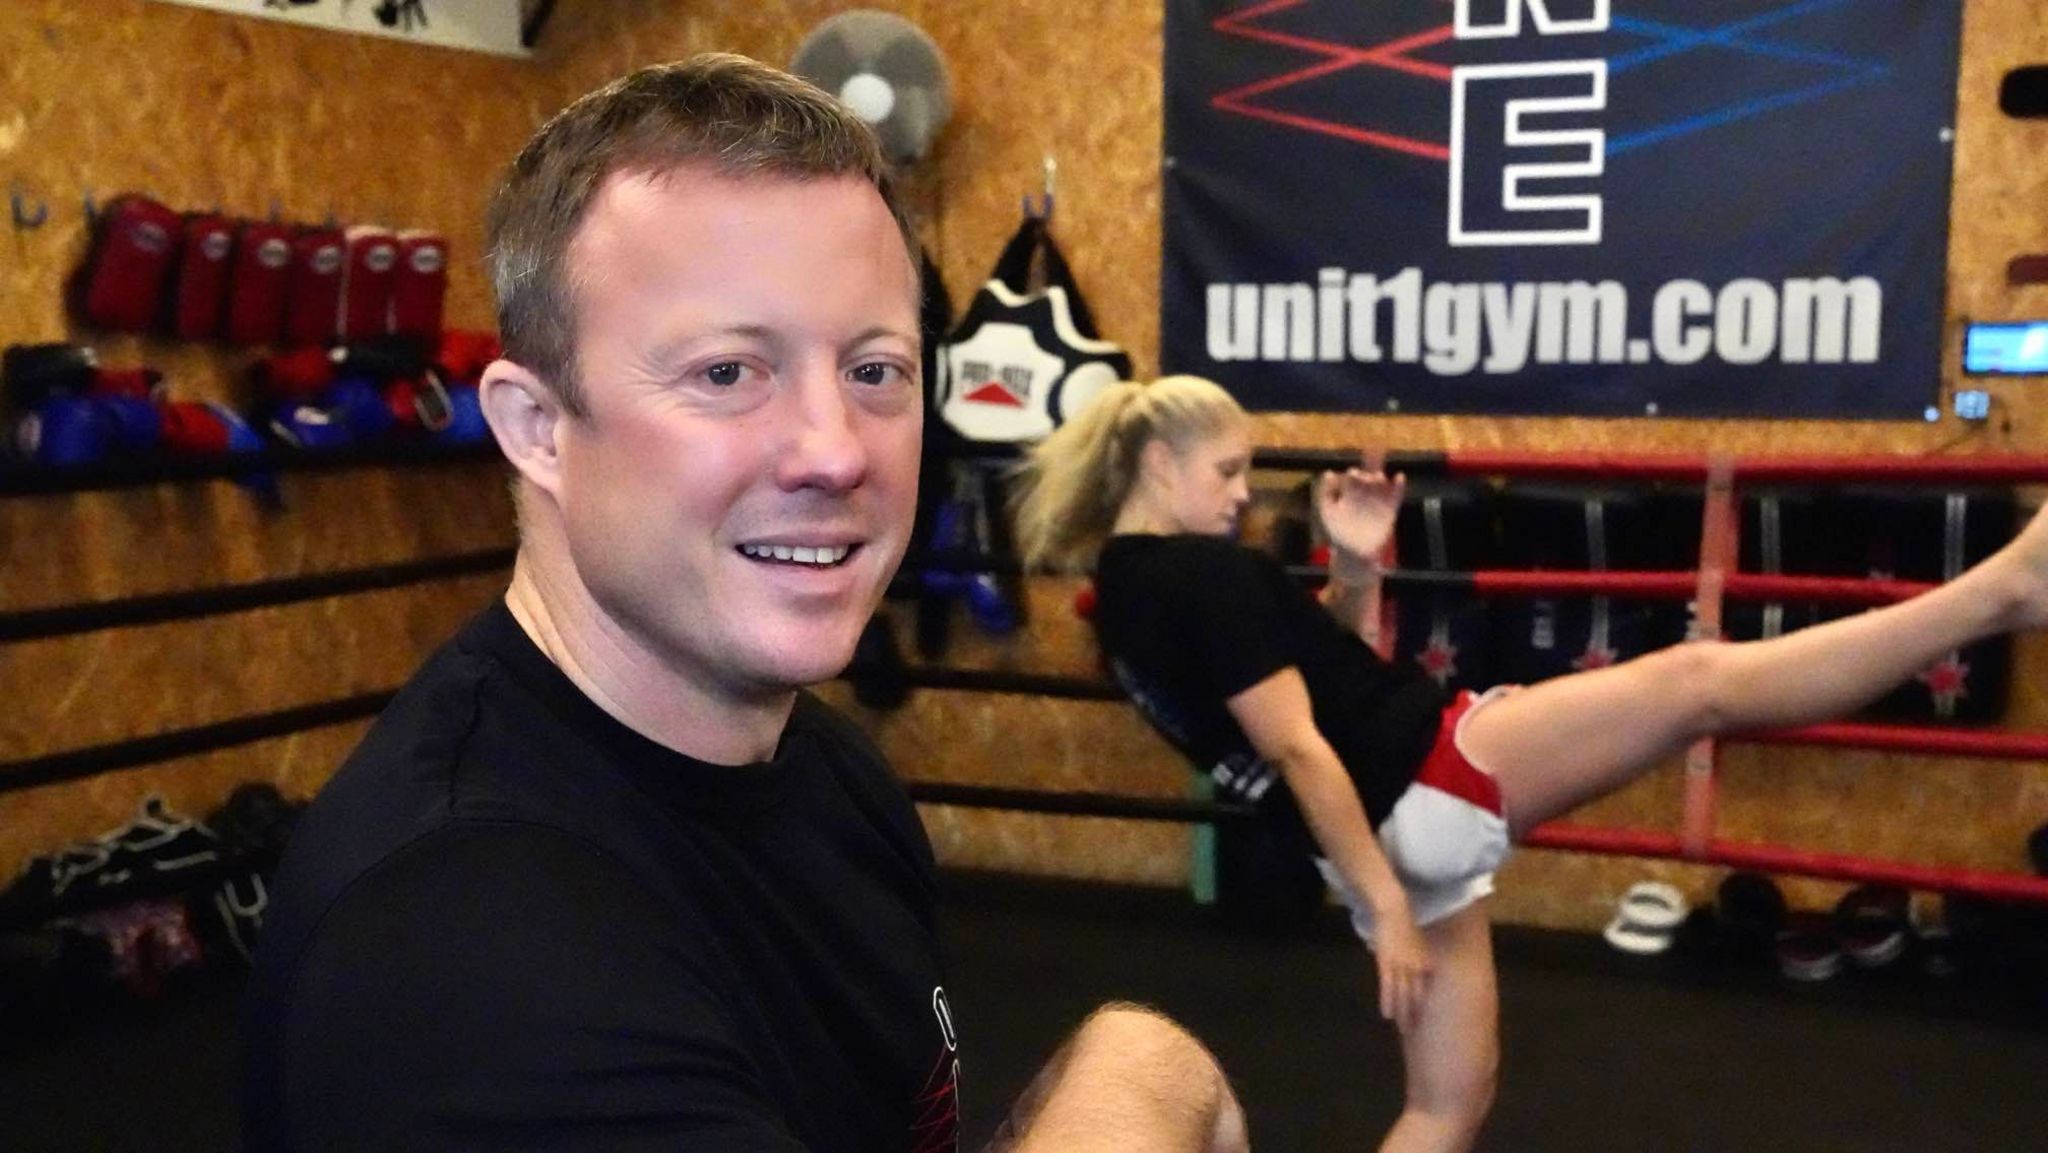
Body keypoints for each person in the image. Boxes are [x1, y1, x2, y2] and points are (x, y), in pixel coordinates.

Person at [240, 56, 1247, 1153]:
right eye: (727, 373)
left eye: (874, 371)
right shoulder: (464, 936)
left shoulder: (829, 777)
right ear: (536, 428)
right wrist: (1138, 1075)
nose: (831, 451)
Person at [1011, 374, 2048, 1153]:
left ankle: (2006, 588)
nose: (1240, 495)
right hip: (1421, 781)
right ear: (1154, 464)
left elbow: (1313, 682)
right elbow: (1295, 744)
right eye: (1225, 471)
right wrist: (1393, 912)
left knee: (1444, 1103)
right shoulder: (1200, 572)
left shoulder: (1124, 598)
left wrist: (1360, 562)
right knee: (1698, 683)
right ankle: (2002, 590)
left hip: (1381, 835)